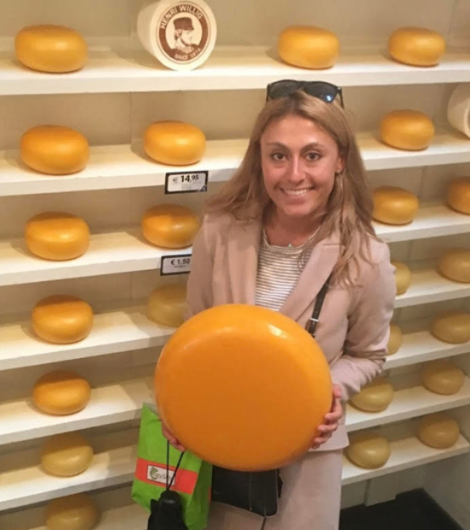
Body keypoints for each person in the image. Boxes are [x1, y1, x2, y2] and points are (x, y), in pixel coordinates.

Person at [163, 80, 396, 530]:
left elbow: (369, 355)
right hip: (222, 436)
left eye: (312, 155)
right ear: (260, 159)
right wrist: (180, 405)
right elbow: (194, 333)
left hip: (305, 449)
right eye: (278, 155)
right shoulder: (219, 231)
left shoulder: (365, 256)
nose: (293, 174)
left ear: (340, 159)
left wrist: (326, 392)